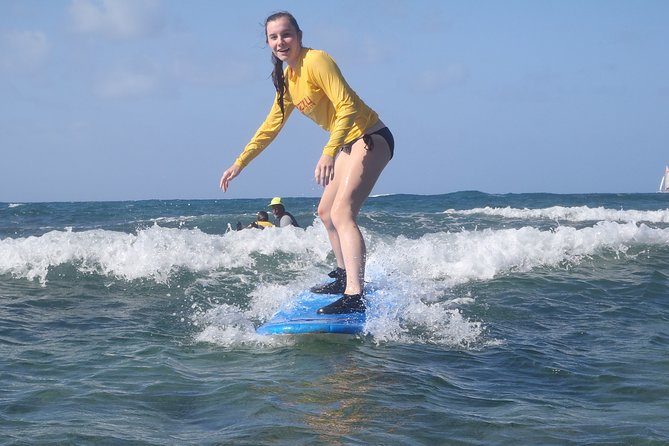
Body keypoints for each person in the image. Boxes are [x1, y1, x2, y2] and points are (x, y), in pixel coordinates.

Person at [219, 11, 394, 314]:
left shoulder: (317, 61)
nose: (280, 41)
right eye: (273, 37)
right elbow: (271, 125)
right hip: (347, 144)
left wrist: (329, 151)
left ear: (299, 35)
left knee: (342, 212)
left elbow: (347, 106)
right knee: (326, 212)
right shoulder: (288, 78)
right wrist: (240, 163)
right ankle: (343, 277)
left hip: (370, 138)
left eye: (286, 34)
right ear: (268, 43)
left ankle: (355, 295)